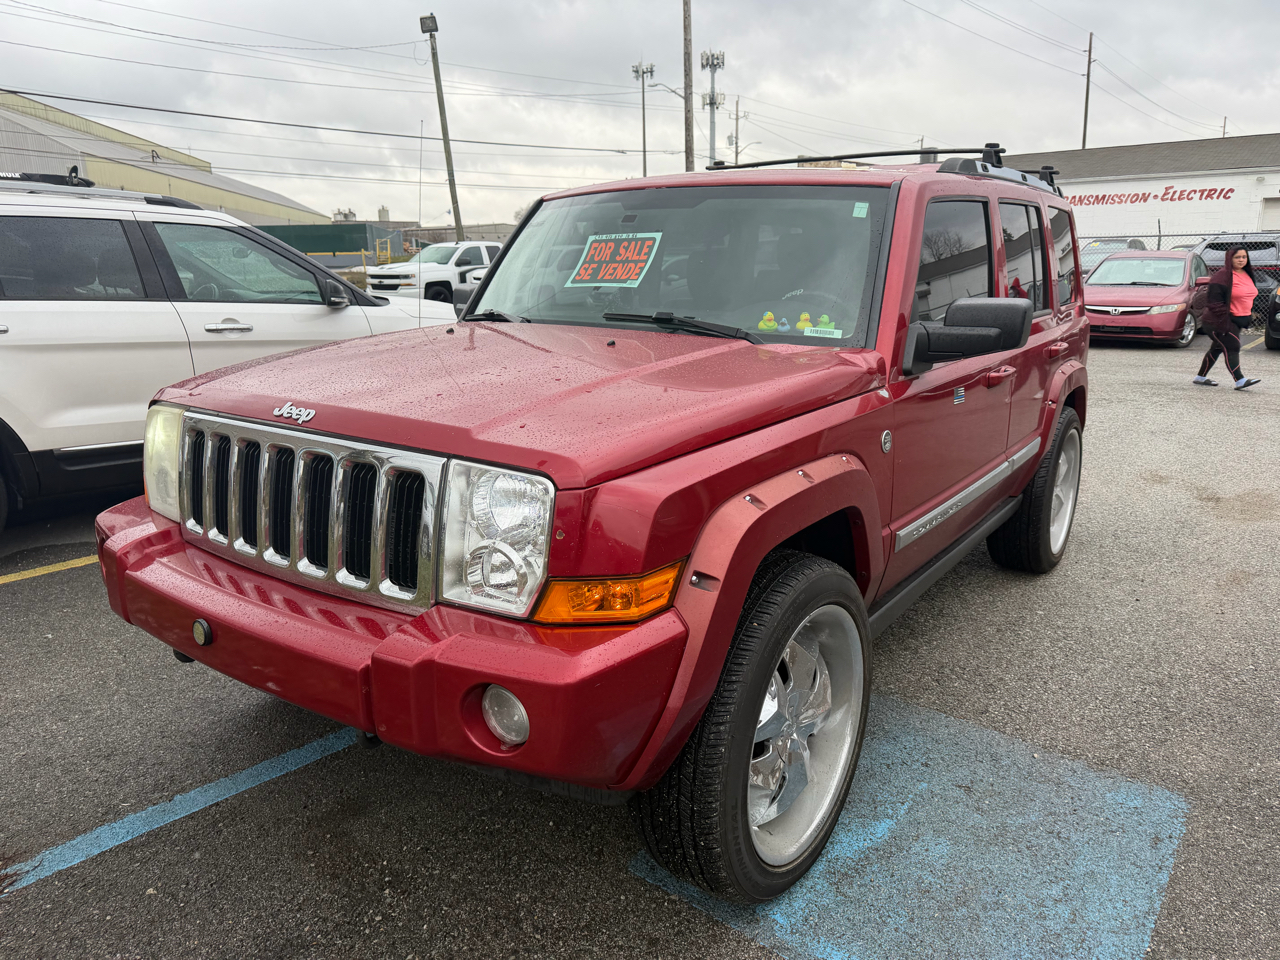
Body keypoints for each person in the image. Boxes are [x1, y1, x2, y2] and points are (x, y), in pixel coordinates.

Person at [1194, 244, 1262, 390]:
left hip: (1237, 319)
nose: (1241, 260)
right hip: (1217, 321)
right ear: (1229, 258)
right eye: (1237, 257)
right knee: (1233, 346)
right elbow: (1214, 302)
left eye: (1244, 257)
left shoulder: (1246, 273)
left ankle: (1200, 377)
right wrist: (1225, 319)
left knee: (1217, 349)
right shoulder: (1222, 277)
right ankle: (1240, 380)